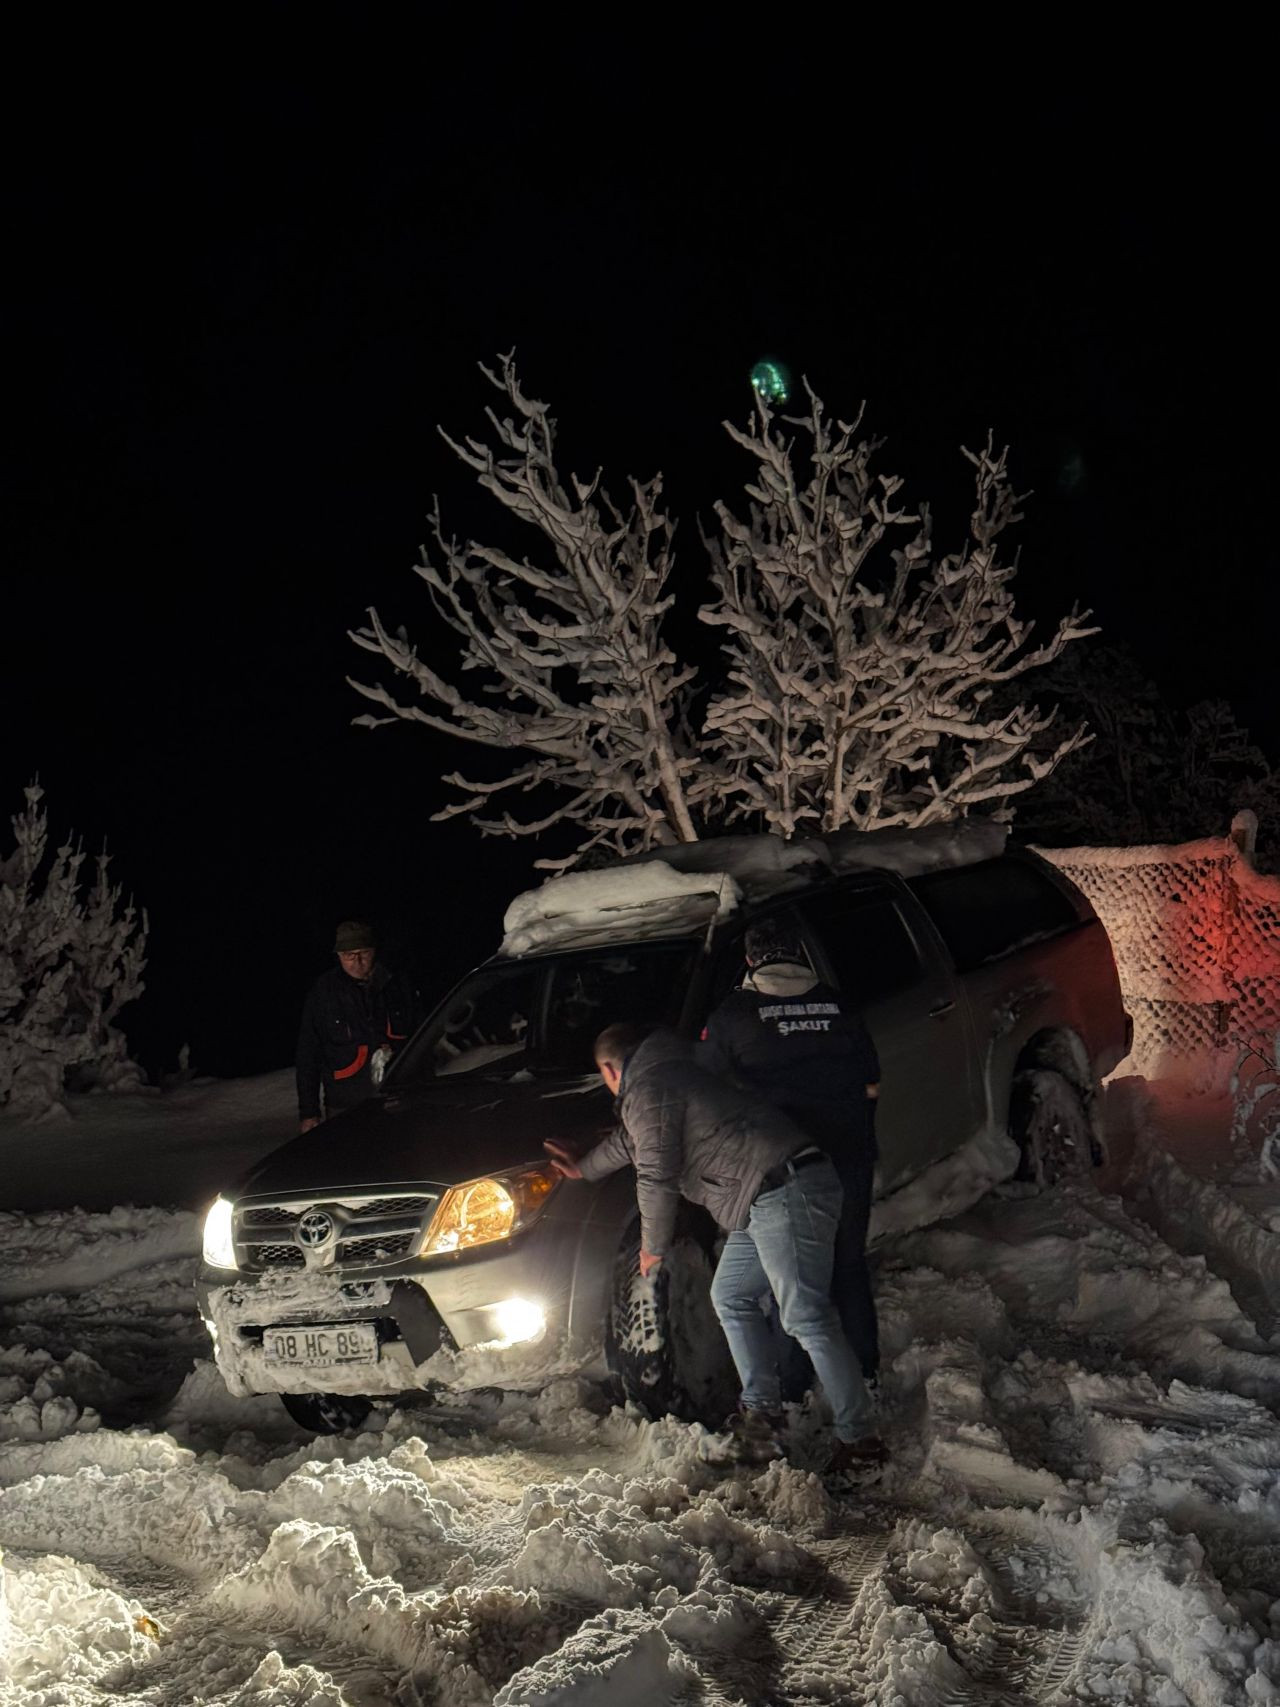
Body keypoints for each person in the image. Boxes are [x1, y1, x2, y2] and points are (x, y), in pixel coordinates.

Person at [545, 1023, 884, 1472]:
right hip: (763, 1195)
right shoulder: (669, 1074)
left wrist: (653, 1247)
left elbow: (656, 1174)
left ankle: (861, 1443)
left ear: (609, 1069)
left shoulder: (652, 1086)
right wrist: (584, 1169)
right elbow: (631, 1143)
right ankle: (762, 1419)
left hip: (785, 1188)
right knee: (732, 1295)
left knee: (805, 1314)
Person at [701, 918, 882, 1383]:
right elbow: (871, 1082)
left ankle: (796, 1383)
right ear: (800, 953)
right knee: (847, 1264)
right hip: (849, 1157)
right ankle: (864, 1374)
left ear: (749, 960)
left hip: (784, 1171)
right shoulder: (840, 1005)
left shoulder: (732, 1017)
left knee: (791, 1283)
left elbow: (709, 1091)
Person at [295, 921, 422, 1133]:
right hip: (345, 1104)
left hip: (398, 1097)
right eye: (349, 956)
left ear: (374, 951)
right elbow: (308, 1053)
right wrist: (309, 1112)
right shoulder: (324, 993)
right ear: (338, 957)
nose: (357, 962)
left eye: (363, 953)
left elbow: (421, 1039)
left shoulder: (398, 985)